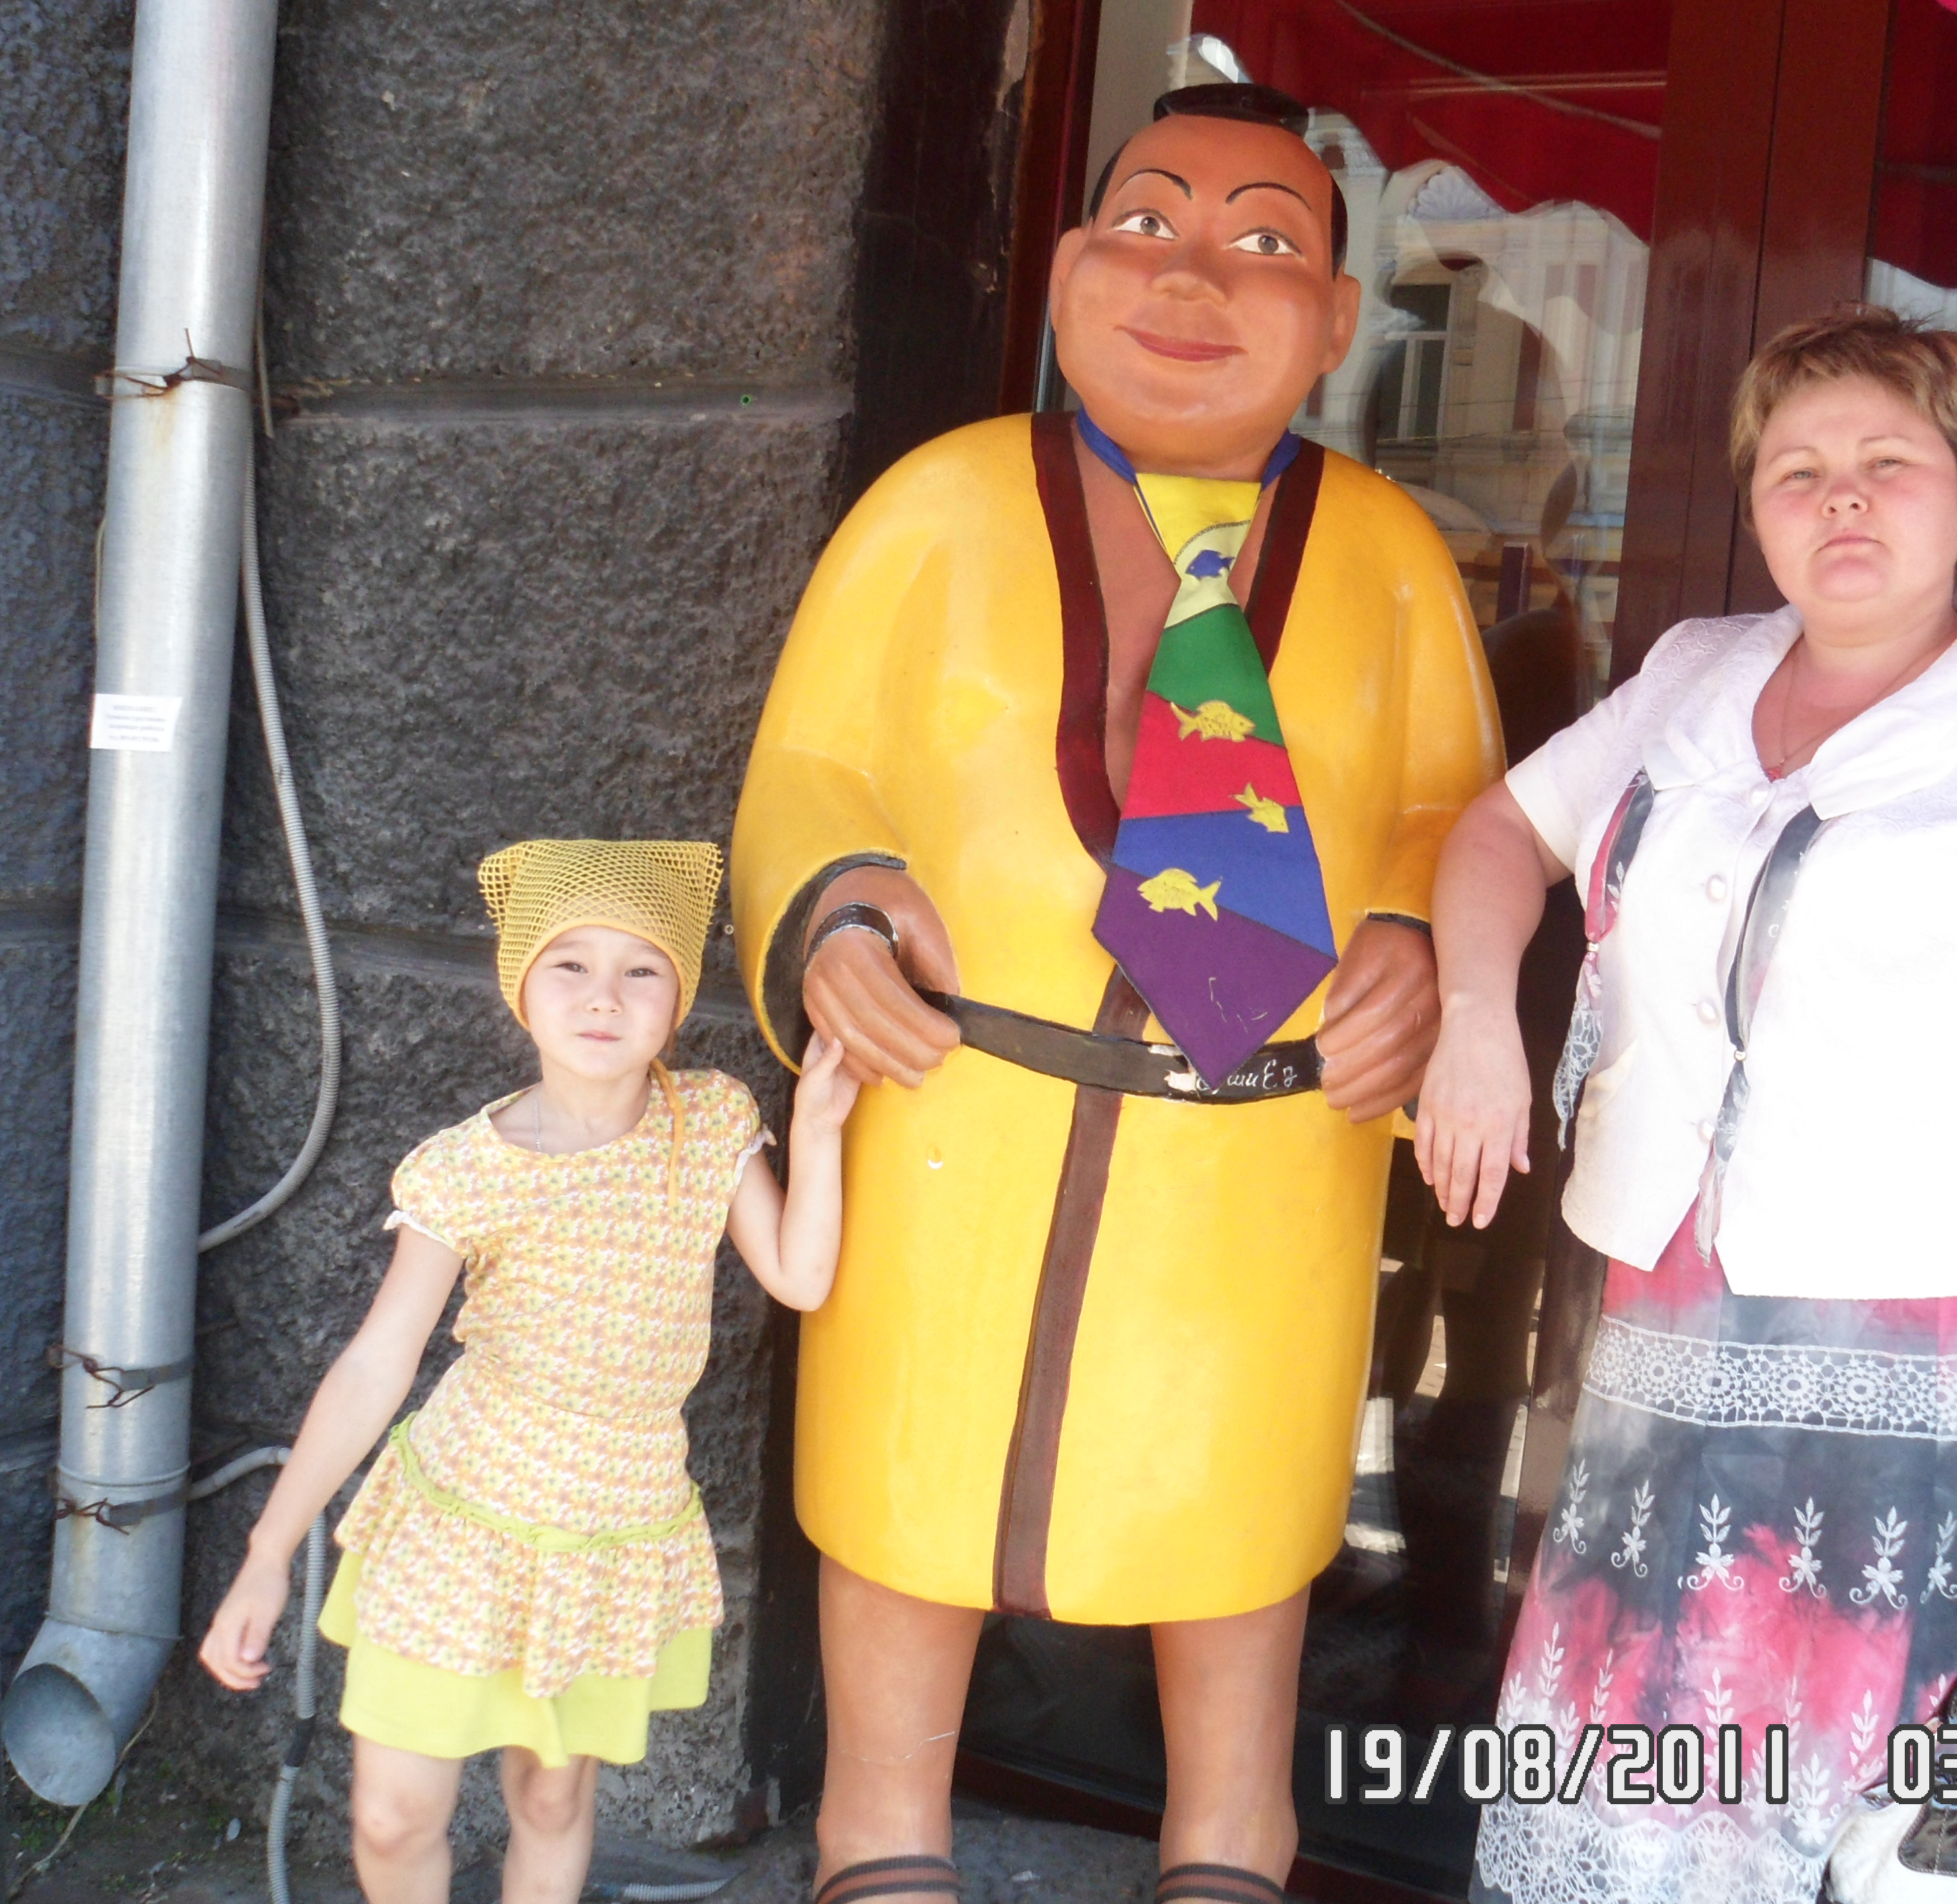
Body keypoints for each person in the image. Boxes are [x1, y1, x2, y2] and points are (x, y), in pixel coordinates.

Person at [729, 82, 1499, 1904]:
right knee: (909, 1499)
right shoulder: (938, 506)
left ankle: (1230, 1842)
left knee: (1232, 1525)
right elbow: (812, 765)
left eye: (1265, 243)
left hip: (1258, 1149)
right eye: (1148, 221)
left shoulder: (1388, 553)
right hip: (963, 1112)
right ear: (1071, 266)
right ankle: (875, 1837)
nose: (1193, 278)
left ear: (1335, 319)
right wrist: (838, 914)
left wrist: (1414, 938)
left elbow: (1457, 806)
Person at [1416, 306, 1957, 1904]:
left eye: (1887, 464)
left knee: (1881, 1796)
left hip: (1942, 1354)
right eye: (1797, 471)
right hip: (1677, 1315)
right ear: (1756, 505)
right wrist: (1475, 1022)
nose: (1840, 498)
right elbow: (1500, 834)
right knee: (1649, 1743)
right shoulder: (1697, 674)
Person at [195, 839, 858, 1904]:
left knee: (552, 1801)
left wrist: (818, 1126)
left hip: (609, 1529)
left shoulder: (710, 1123)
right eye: (570, 965)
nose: (604, 996)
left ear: (678, 997)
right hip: (460, 1524)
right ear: (521, 990)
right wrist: (271, 1550)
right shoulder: (467, 1169)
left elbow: (800, 1273)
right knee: (392, 1815)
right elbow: (375, 1365)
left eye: (641, 969)